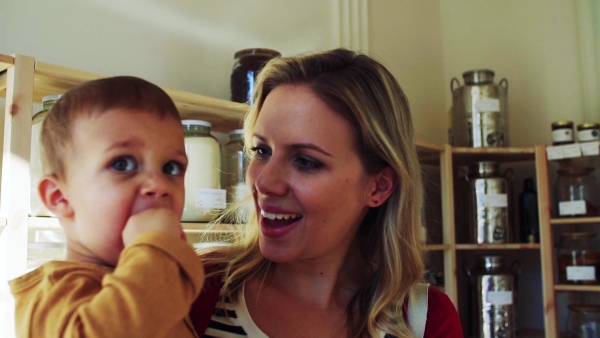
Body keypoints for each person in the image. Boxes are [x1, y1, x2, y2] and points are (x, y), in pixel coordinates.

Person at [190, 49, 463, 337]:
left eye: (305, 161)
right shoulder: (197, 287)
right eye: (262, 151)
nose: (264, 182)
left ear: (379, 186)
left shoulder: (425, 320)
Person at [9, 76, 205, 337]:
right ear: (60, 198)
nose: (159, 185)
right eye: (122, 164)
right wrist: (157, 248)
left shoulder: (150, 281)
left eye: (171, 168)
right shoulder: (53, 296)